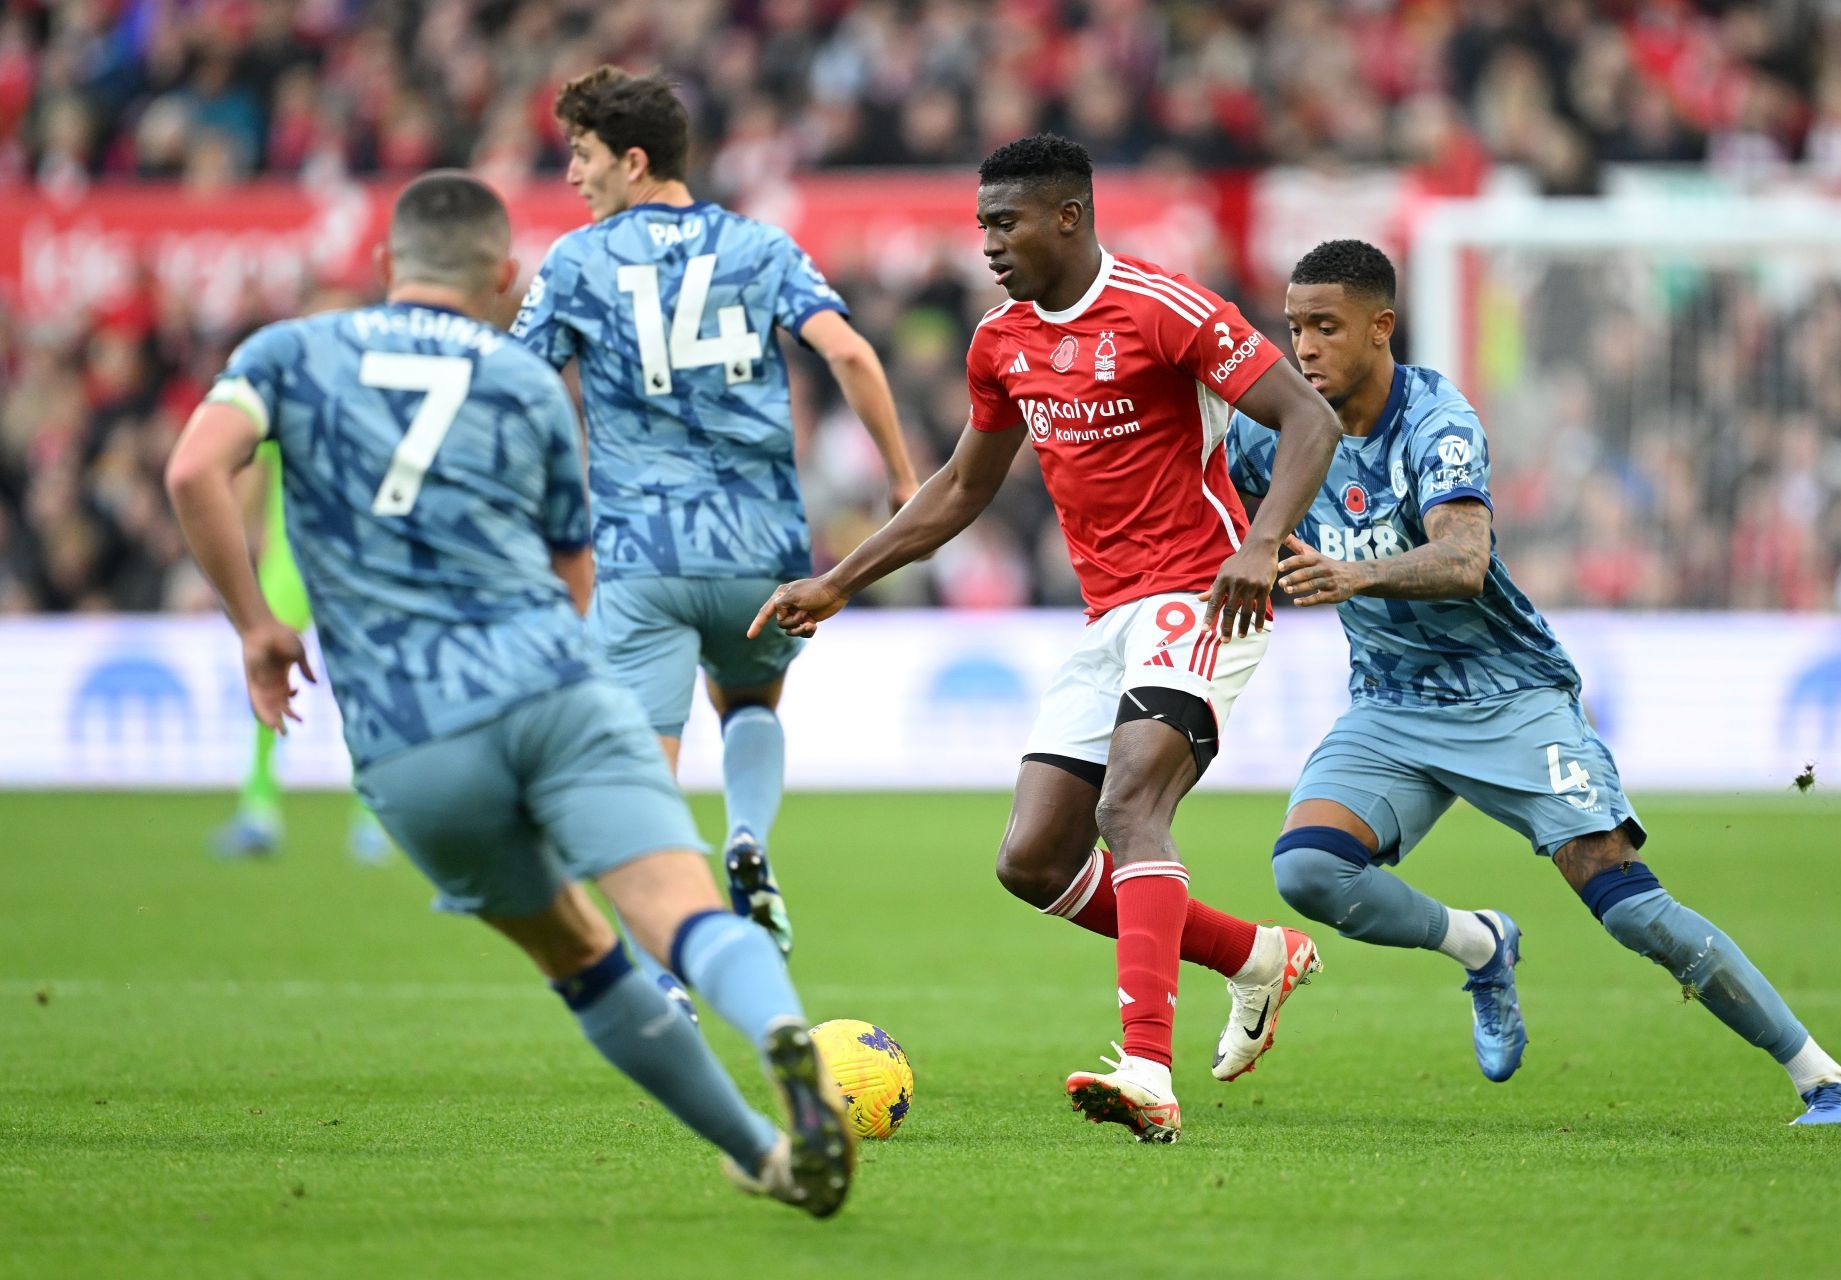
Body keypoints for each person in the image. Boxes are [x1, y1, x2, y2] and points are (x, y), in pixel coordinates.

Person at [164, 171, 858, 1214]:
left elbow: (190, 471)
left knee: (581, 956)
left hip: (413, 733)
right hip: (554, 690)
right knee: (678, 907)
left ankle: (764, 1151)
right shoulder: (524, 382)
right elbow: (575, 571)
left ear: (387, 265)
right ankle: (776, 1026)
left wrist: (258, 626)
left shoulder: (291, 353)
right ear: (501, 276)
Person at [753, 134, 1343, 1143]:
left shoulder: (1166, 308)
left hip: (1203, 594)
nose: (987, 242)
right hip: (1108, 615)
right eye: (981, 222)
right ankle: (1255, 956)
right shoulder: (1001, 342)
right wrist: (842, 579)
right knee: (1033, 858)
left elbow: (1309, 418)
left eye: (1004, 222)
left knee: (1130, 802)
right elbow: (962, 487)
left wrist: (1260, 542)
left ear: (1067, 216)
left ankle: (1148, 1068)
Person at [1225, 238, 1841, 1126]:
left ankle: (1826, 1077)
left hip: (1507, 694)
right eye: (1294, 327)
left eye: (1325, 328)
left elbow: (1463, 558)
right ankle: (1482, 945)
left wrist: (1355, 577)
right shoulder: (1273, 433)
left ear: (1381, 328)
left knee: (1625, 904)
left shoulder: (1435, 422)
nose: (1301, 349)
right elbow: (1209, 511)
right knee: (1307, 871)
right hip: (1390, 703)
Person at [510, 66, 919, 962]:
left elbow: (517, 388)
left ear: (634, 159)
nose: (572, 176)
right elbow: (849, 352)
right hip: (760, 555)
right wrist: (898, 475)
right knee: (746, 703)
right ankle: (749, 836)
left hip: (639, 556)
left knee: (643, 781)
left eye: (581, 157)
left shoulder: (577, 262)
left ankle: (666, 982)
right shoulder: (760, 246)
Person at [211, 440, 394, 865]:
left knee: (265, 675)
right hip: (352, 564)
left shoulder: (285, 395)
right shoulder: (360, 402)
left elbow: (251, 494)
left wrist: (232, 559)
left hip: (290, 562)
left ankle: (259, 811)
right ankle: (372, 821)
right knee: (365, 688)